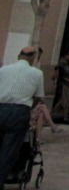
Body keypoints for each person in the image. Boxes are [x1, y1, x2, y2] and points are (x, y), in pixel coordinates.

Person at [0, 47, 45, 182]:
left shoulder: (3, 70)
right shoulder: (37, 73)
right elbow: (38, 97)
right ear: (32, 58)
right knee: (9, 150)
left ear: (19, 56)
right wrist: (30, 107)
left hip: (1, 107)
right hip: (19, 111)